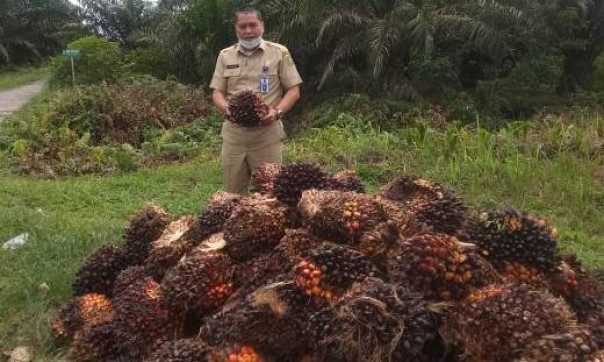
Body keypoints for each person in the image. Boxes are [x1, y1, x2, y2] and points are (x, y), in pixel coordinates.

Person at [209, 6, 302, 195]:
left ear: (262, 26)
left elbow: (293, 90)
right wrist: (227, 109)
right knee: (232, 194)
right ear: (236, 29)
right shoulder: (225, 55)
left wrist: (277, 112)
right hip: (234, 136)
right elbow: (217, 93)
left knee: (271, 193)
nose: (248, 31)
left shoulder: (279, 52)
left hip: (266, 134)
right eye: (242, 26)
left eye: (253, 25)